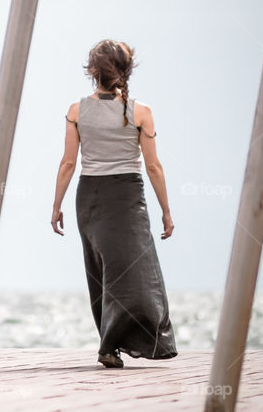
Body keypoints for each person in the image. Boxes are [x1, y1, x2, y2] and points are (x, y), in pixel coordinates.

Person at [51, 39, 177, 368]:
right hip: (125, 196)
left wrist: (56, 205)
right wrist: (166, 210)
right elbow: (153, 167)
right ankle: (110, 344)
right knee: (133, 273)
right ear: (126, 69)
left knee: (104, 272)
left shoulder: (77, 110)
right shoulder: (142, 112)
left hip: (90, 197)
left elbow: (67, 163)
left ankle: (111, 343)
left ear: (92, 71)